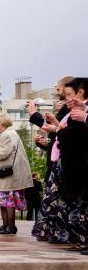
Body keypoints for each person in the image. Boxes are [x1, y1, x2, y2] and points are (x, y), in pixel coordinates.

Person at [33, 77, 88, 252]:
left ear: (81, 92)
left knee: (76, 203)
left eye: (69, 94)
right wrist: (57, 128)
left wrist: (57, 129)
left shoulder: (80, 112)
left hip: (78, 162)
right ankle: (76, 237)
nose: (66, 99)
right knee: (72, 203)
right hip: (68, 162)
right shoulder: (75, 111)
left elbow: (73, 136)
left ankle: (73, 236)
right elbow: (68, 134)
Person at [0, 114, 33, 235]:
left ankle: (10, 226)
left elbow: (3, 153)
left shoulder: (7, 134)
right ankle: (6, 225)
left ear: (1, 124)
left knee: (7, 202)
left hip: (6, 176)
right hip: (8, 175)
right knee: (4, 201)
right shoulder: (12, 133)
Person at [28, 76, 74, 180]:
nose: (57, 93)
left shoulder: (72, 108)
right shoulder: (67, 108)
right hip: (55, 162)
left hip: (63, 164)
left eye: (58, 89)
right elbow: (57, 135)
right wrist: (43, 143)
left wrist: (34, 114)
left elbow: (62, 132)